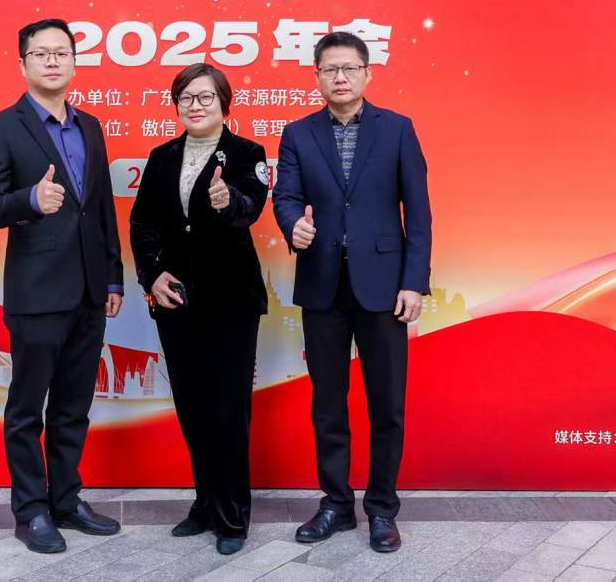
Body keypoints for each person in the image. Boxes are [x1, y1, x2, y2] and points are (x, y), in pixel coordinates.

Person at [272, 31, 432, 553]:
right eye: (329, 70)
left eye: (349, 68)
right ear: (316, 76)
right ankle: (336, 504)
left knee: (387, 404)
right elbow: (286, 196)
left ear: (367, 73)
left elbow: (419, 212)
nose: (339, 78)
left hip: (384, 287)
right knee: (328, 403)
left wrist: (413, 281)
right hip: (323, 285)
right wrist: (294, 225)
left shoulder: (397, 129)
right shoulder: (298, 133)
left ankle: (382, 509)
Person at [0, 18, 125, 554]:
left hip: (89, 291)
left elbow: (101, 208)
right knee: (26, 409)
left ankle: (66, 499)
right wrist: (30, 201)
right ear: (23, 64)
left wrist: (112, 275)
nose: (53, 61)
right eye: (41, 54)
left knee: (72, 406)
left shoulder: (90, 127)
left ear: (75, 63)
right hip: (37, 291)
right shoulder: (1, 127)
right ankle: (31, 511)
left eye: (62, 52)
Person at [129, 63, 270, 556]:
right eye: (186, 97)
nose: (195, 105)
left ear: (224, 103)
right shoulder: (161, 157)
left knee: (228, 409)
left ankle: (232, 517)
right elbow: (143, 223)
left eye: (206, 97)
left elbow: (252, 206)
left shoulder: (248, 153)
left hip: (230, 302)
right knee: (192, 407)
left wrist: (227, 200)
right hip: (177, 301)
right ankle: (205, 504)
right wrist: (152, 275)